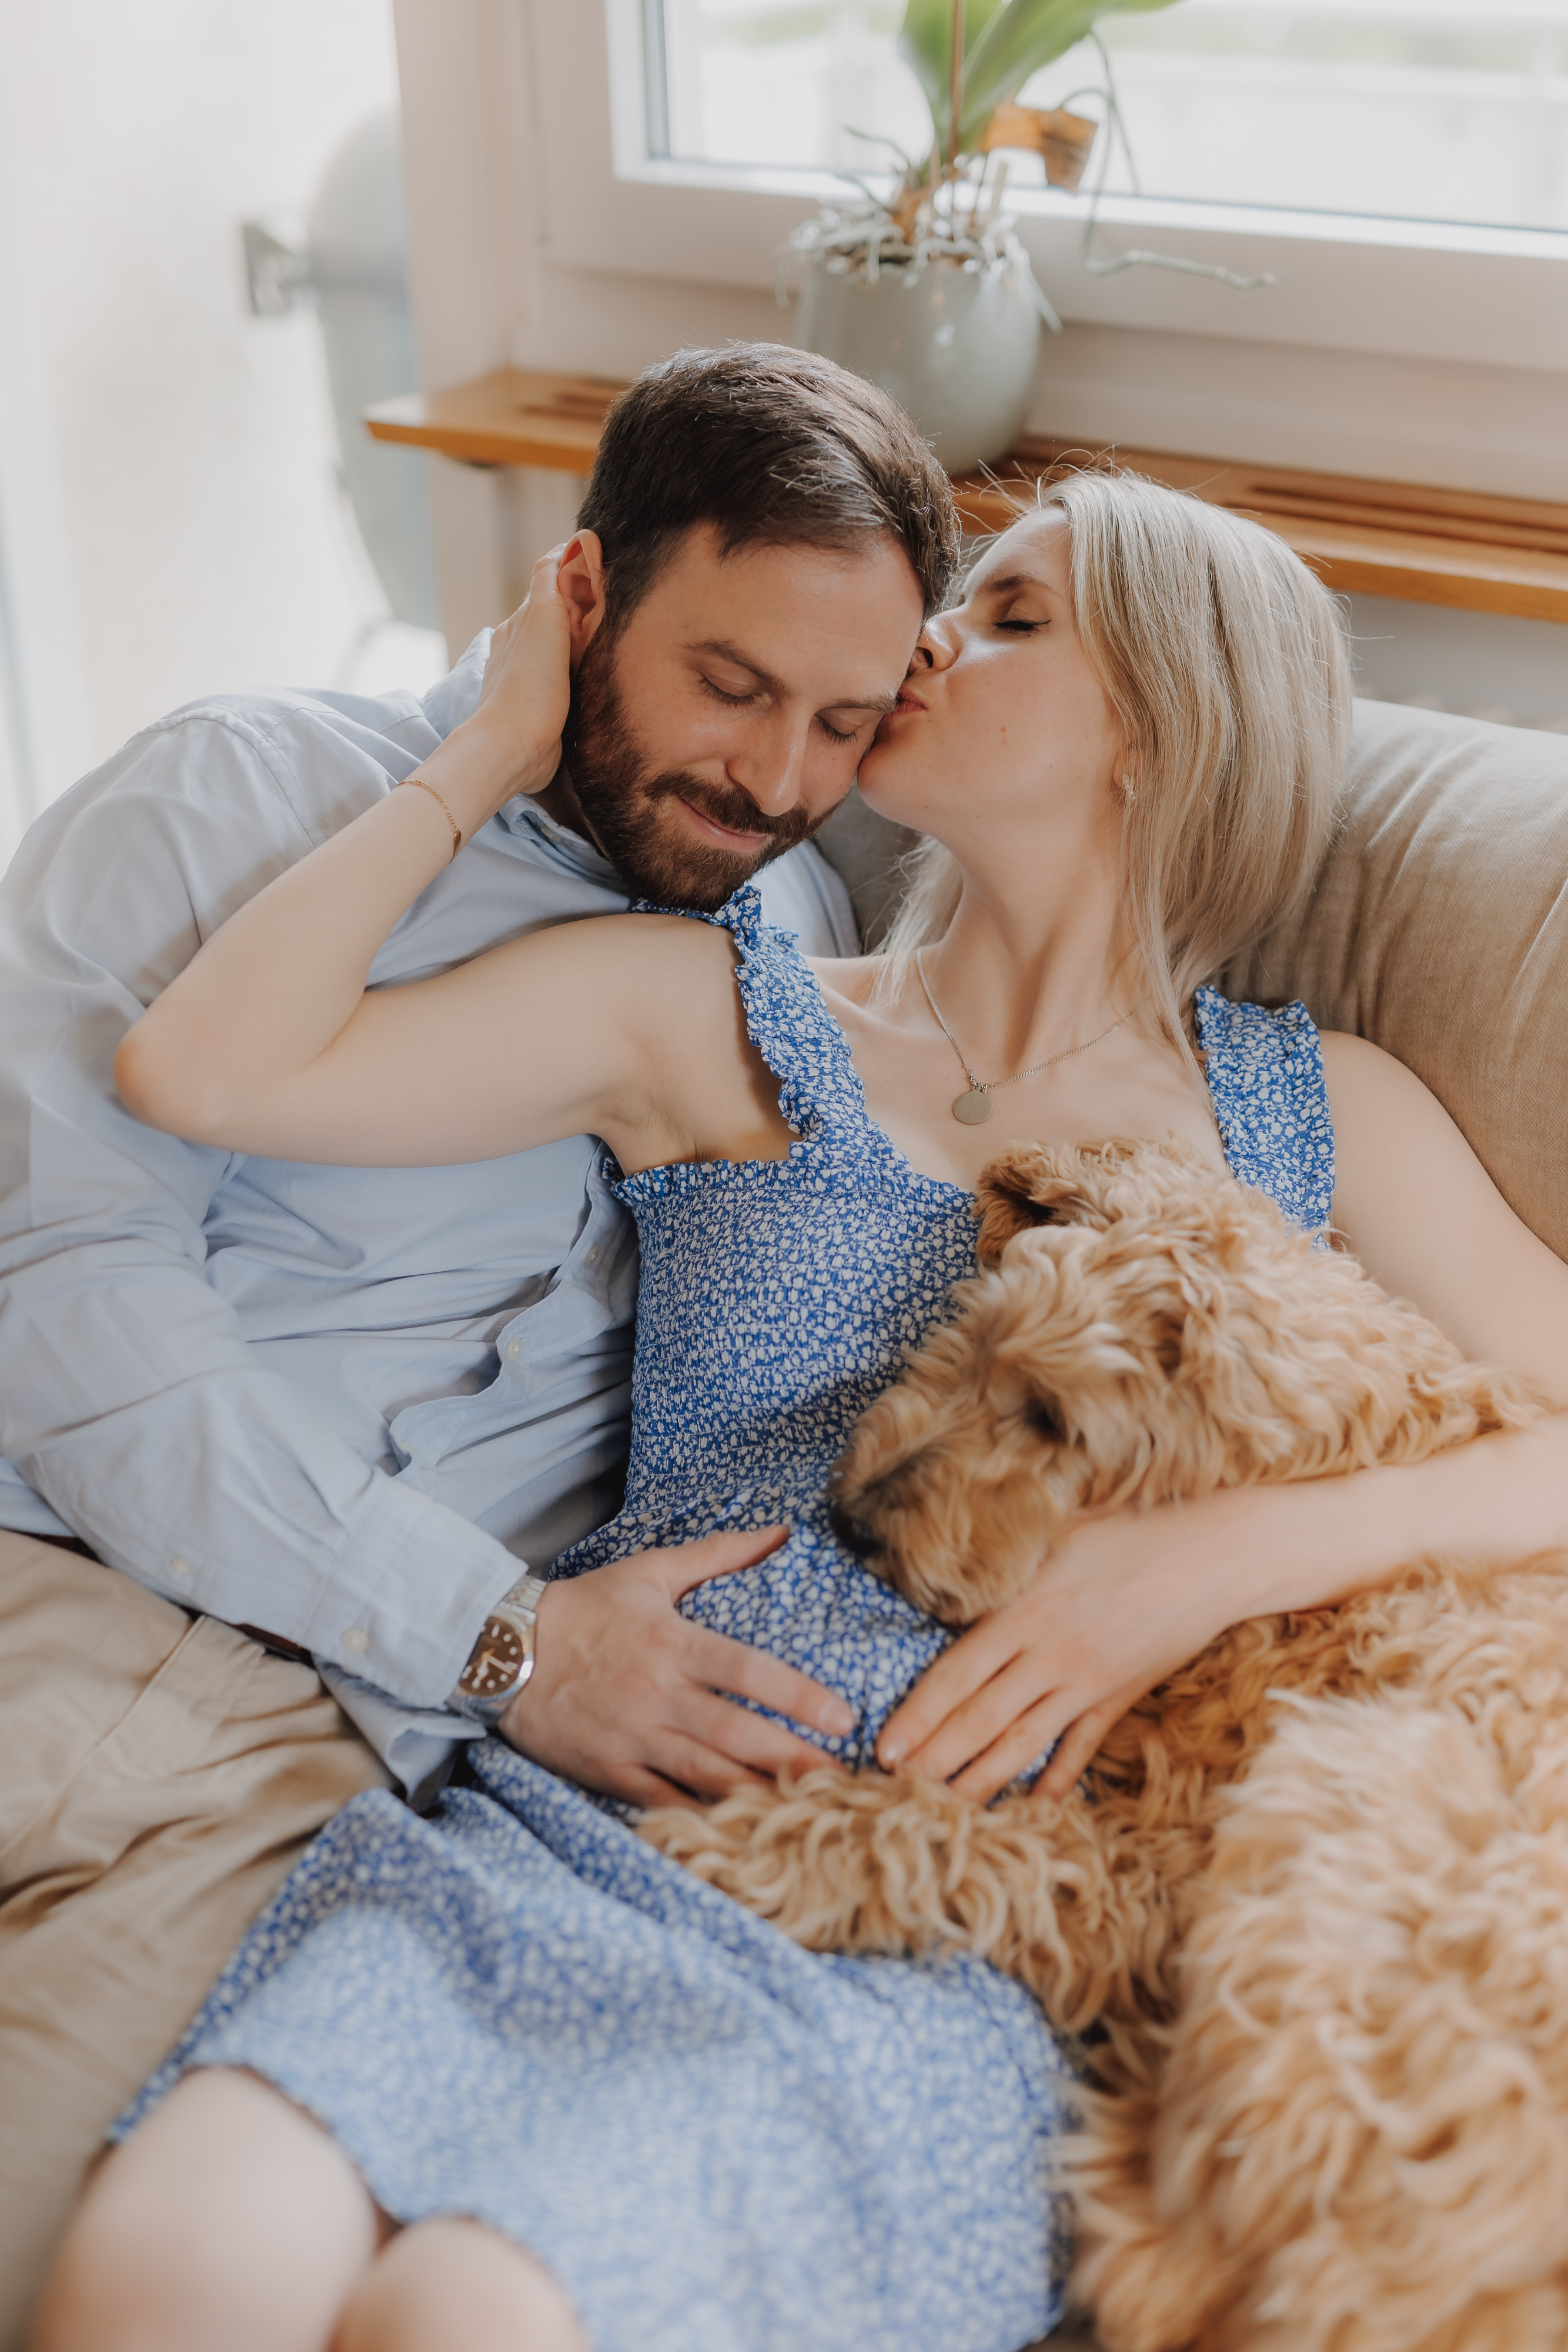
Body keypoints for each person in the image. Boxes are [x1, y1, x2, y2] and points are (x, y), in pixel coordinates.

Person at [34, 470, 1568, 2352]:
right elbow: (202, 1064)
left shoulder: (1311, 1110)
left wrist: (1214, 1559)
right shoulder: (719, 1006)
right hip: (587, 1824)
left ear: (1155, 736)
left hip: (950, 1915)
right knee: (157, 2281)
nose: (927, 641)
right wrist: (487, 749)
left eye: (1009, 619)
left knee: (467, 2317)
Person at [0, 342, 957, 2339]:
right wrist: (487, 1635)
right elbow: (52, 1283)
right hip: (54, 1596)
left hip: (321, 1767)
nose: (776, 784)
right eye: (728, 683)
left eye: (842, 724)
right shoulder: (240, 790)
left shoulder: (785, 998)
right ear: (580, 596)